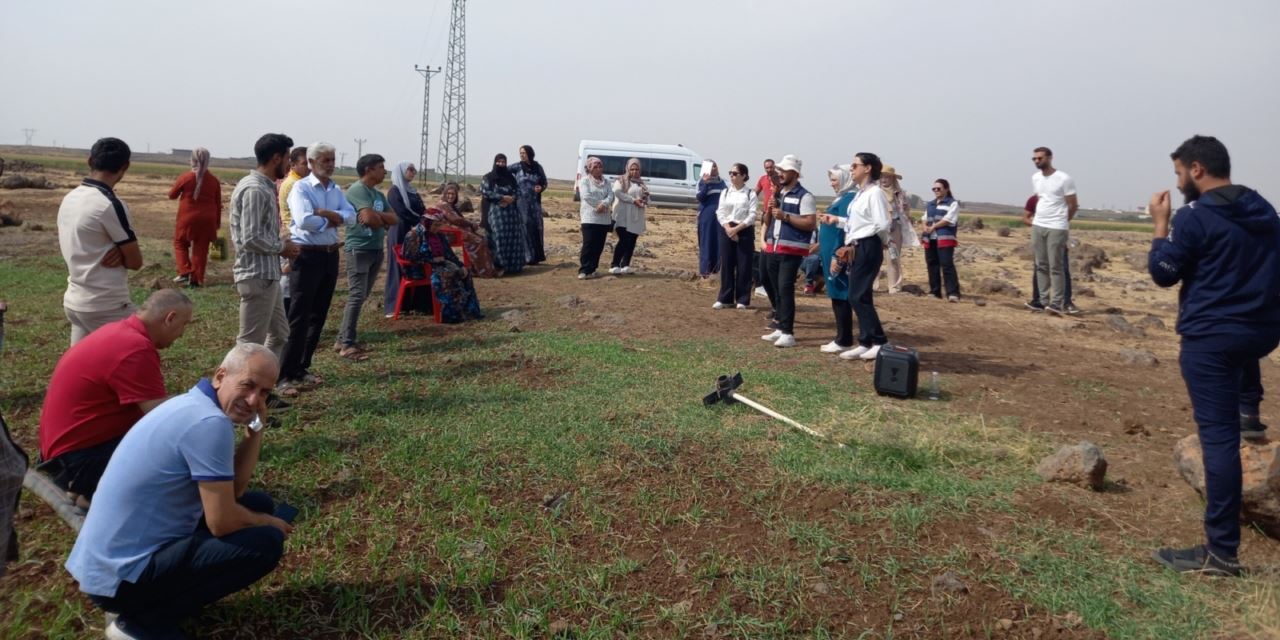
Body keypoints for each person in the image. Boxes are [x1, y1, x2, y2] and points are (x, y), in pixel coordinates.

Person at [65, 343, 291, 638]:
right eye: (248, 385)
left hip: (104, 565)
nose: (253, 399)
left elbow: (234, 491)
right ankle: (142, 622)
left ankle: (159, 598)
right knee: (267, 541)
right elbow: (221, 522)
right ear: (220, 375)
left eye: (264, 393)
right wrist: (268, 522)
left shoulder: (192, 403)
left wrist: (255, 432)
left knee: (257, 503)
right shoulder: (210, 424)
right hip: (120, 581)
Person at [1147, 135, 1280, 577]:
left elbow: (1164, 274)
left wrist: (1160, 226)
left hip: (1212, 339)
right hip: (1260, 333)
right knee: (1240, 372)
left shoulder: (1195, 217)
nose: (1179, 180)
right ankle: (1250, 411)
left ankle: (1221, 553)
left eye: (1180, 172)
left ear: (1197, 169)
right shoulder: (1265, 211)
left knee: (1218, 442)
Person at [37, 290, 193, 505]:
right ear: (170, 318)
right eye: (184, 324)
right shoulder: (135, 348)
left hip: (61, 456)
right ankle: (92, 494)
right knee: (173, 455)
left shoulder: (118, 331)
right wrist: (200, 402)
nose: (182, 334)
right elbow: (160, 417)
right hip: (77, 461)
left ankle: (86, 489)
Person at [281, 142, 356, 393]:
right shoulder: (301, 188)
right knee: (299, 316)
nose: (331, 165)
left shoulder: (335, 189)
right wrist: (334, 219)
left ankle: (302, 367)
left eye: (333, 160)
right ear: (311, 163)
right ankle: (284, 373)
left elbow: (352, 216)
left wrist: (325, 213)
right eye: (325, 160)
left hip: (330, 255)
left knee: (319, 315)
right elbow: (304, 221)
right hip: (307, 256)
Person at [57, 137, 142, 345]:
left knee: (81, 368)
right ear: (125, 167)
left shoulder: (71, 197)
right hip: (106, 305)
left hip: (75, 300)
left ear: (90, 161)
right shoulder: (109, 204)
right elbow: (135, 262)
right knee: (140, 349)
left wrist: (119, 251)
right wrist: (121, 252)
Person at [231, 133, 299, 364]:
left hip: (269, 275)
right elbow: (250, 238)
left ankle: (263, 387)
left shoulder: (263, 187)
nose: (289, 164)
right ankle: (233, 393)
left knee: (280, 334)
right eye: (288, 158)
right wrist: (282, 247)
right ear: (275, 158)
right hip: (256, 275)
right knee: (249, 344)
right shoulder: (255, 190)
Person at [831, 152, 891, 360]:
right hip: (859, 245)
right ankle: (865, 342)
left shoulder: (875, 193)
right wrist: (836, 221)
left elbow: (882, 224)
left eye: (855, 165)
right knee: (861, 295)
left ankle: (880, 341)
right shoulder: (860, 194)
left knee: (856, 296)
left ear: (867, 168)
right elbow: (856, 223)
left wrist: (878, 242)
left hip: (868, 246)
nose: (851, 169)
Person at [336, 154, 397, 361]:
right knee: (356, 295)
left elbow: (394, 218)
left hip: (375, 248)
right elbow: (369, 219)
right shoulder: (357, 190)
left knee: (361, 296)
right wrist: (379, 219)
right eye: (381, 167)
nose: (384, 171)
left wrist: (377, 217)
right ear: (369, 169)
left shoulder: (378, 195)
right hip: (359, 249)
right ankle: (347, 344)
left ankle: (342, 338)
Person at [759, 155, 816, 349]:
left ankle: (788, 332)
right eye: (779, 170)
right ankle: (781, 326)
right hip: (774, 247)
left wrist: (786, 216)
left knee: (785, 289)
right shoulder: (779, 194)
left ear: (795, 173)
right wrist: (769, 209)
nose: (780, 173)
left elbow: (810, 223)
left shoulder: (805, 196)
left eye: (784, 171)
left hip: (791, 250)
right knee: (776, 289)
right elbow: (768, 221)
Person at [402, 208, 483, 323]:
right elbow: (410, 257)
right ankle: (451, 315)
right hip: (422, 268)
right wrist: (432, 259)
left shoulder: (439, 235)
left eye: (439, 225)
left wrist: (460, 265)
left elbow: (449, 254)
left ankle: (467, 311)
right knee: (448, 275)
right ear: (427, 223)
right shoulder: (414, 235)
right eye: (435, 225)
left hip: (440, 264)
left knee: (465, 272)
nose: (437, 228)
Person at [1029, 147, 1078, 315]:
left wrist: (1063, 221)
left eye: (1040, 158)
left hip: (1057, 226)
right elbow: (1040, 199)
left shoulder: (1064, 179)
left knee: (1056, 266)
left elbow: (1073, 205)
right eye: (1034, 159)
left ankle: (1057, 302)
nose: (1037, 161)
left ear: (1050, 158)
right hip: (1038, 225)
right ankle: (1042, 301)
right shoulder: (1035, 178)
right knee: (1040, 265)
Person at [815, 165, 857, 355]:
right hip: (829, 252)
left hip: (836, 255)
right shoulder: (842, 198)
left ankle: (844, 338)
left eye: (834, 179)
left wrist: (836, 256)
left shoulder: (849, 199)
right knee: (836, 293)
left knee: (840, 294)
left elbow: (843, 229)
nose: (831, 183)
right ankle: (842, 336)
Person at [166, 148, 221, 288]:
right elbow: (218, 203)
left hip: (188, 218)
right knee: (201, 250)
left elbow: (172, 195)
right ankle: (196, 280)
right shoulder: (214, 181)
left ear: (193, 160)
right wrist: (217, 224)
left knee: (180, 243)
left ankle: (184, 271)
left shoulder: (186, 177)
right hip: (208, 219)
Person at [385, 162, 434, 317]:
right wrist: (418, 220)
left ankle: (419, 304)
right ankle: (395, 306)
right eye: (410, 169)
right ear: (401, 171)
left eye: (415, 170)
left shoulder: (412, 191)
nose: (413, 172)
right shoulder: (394, 191)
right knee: (398, 267)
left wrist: (426, 220)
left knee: (419, 264)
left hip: (416, 233)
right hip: (400, 230)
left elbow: (422, 210)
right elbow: (401, 211)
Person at [1023, 194, 1077, 313]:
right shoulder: (1034, 200)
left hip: (1057, 237)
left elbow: (1073, 208)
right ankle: (1038, 301)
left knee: (1062, 268)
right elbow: (1025, 218)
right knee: (1040, 267)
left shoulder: (1061, 200)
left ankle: (1066, 302)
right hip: (1041, 237)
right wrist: (1038, 225)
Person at [714, 162, 757, 308]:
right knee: (726, 264)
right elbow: (720, 212)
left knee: (744, 265)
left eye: (735, 173)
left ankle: (742, 299)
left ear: (744, 176)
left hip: (744, 229)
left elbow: (752, 215)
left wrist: (737, 229)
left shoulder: (750, 194)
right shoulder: (725, 192)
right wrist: (728, 228)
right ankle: (725, 298)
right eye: (730, 173)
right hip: (726, 228)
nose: (732, 176)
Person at [436, 181, 499, 278]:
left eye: (453, 194)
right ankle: (485, 272)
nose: (450, 196)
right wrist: (470, 224)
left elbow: (458, 219)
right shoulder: (443, 205)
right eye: (448, 194)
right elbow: (455, 219)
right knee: (479, 241)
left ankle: (477, 269)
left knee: (482, 238)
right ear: (444, 194)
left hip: (456, 231)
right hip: (449, 234)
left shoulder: (451, 206)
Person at [277, 146, 311, 312]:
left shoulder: (299, 182)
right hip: (292, 233)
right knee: (289, 274)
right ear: (293, 165)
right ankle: (284, 310)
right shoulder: (294, 184)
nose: (309, 167)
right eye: (305, 163)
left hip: (295, 232)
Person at [481, 154, 525, 274]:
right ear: (495, 162)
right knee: (499, 238)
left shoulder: (510, 177)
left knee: (513, 238)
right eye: (498, 162)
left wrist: (512, 198)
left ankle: (513, 267)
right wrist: (502, 198)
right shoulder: (488, 177)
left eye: (503, 162)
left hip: (511, 213)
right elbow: (485, 192)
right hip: (496, 213)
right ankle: (500, 266)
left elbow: (518, 191)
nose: (501, 164)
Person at [878, 165, 918, 293]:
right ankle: (872, 285)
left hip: (894, 228)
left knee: (893, 257)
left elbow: (906, 210)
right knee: (874, 257)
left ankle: (894, 286)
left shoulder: (899, 194)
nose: (884, 180)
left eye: (887, 177)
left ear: (893, 179)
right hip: (877, 229)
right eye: (882, 177)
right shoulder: (874, 192)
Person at [921, 179, 961, 301]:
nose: (936, 191)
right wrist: (925, 227)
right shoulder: (931, 204)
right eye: (934, 189)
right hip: (930, 238)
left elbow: (949, 219)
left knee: (947, 265)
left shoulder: (953, 203)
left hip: (944, 238)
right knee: (932, 264)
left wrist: (933, 226)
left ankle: (953, 293)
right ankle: (935, 292)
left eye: (939, 188)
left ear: (946, 189)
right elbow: (925, 217)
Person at [577, 156, 615, 280]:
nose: (598, 169)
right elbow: (586, 196)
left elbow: (611, 195)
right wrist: (597, 205)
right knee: (589, 244)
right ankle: (584, 270)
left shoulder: (607, 182)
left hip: (603, 219)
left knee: (599, 245)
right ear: (590, 169)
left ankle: (593, 269)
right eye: (595, 167)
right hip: (590, 217)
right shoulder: (584, 181)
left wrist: (604, 204)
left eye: (600, 166)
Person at [611, 158, 649, 274]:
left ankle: (625, 264)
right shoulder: (621, 180)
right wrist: (633, 200)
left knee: (632, 241)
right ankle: (615, 264)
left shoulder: (641, 183)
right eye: (632, 169)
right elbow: (617, 192)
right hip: (622, 216)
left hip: (636, 216)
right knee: (624, 240)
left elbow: (646, 196)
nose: (634, 171)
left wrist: (644, 200)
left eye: (637, 169)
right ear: (627, 168)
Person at [511, 145, 548, 265]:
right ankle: (527, 257)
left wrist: (540, 187)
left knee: (537, 227)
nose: (521, 155)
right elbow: (502, 172)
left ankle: (537, 257)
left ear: (530, 154)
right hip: (522, 203)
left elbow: (544, 182)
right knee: (525, 226)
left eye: (524, 153)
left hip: (535, 203)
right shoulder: (516, 167)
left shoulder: (537, 167)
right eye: (520, 153)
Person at [753, 159, 780, 298]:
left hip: (778, 212)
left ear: (774, 166)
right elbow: (755, 192)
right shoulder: (762, 179)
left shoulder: (779, 178)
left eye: (770, 167)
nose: (769, 169)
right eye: (766, 168)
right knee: (764, 236)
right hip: (766, 212)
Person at [696, 160, 726, 278]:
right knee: (706, 242)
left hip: (720, 218)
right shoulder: (702, 183)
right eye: (710, 167)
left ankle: (717, 270)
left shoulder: (723, 182)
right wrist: (706, 183)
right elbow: (700, 198)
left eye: (715, 166)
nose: (713, 169)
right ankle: (705, 271)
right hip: (707, 218)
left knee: (719, 243)